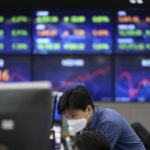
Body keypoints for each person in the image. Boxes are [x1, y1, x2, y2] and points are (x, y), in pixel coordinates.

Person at [57, 85, 146, 150]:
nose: (71, 121)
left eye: (73, 115)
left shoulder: (108, 122)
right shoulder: (87, 123)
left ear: (88, 109)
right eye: (67, 117)